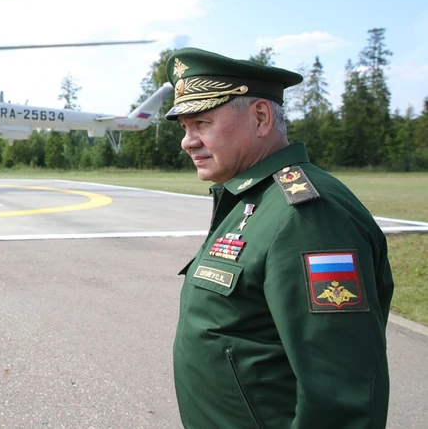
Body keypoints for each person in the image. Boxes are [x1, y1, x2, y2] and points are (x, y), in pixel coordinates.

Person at [166, 47, 394, 429]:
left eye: (202, 123)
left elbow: (340, 395)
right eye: (185, 128)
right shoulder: (253, 199)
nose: (188, 142)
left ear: (260, 117)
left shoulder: (307, 217)